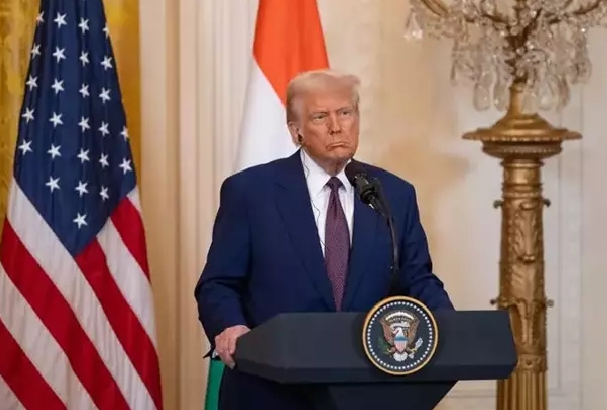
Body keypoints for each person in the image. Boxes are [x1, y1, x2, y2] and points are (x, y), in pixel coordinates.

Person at [194, 69, 454, 410]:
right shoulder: (251, 192)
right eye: (320, 117)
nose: (336, 126)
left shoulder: (393, 193)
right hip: (270, 391)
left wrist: (451, 328)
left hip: (367, 389)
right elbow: (218, 283)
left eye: (345, 113)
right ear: (296, 131)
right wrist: (230, 325)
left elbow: (417, 278)